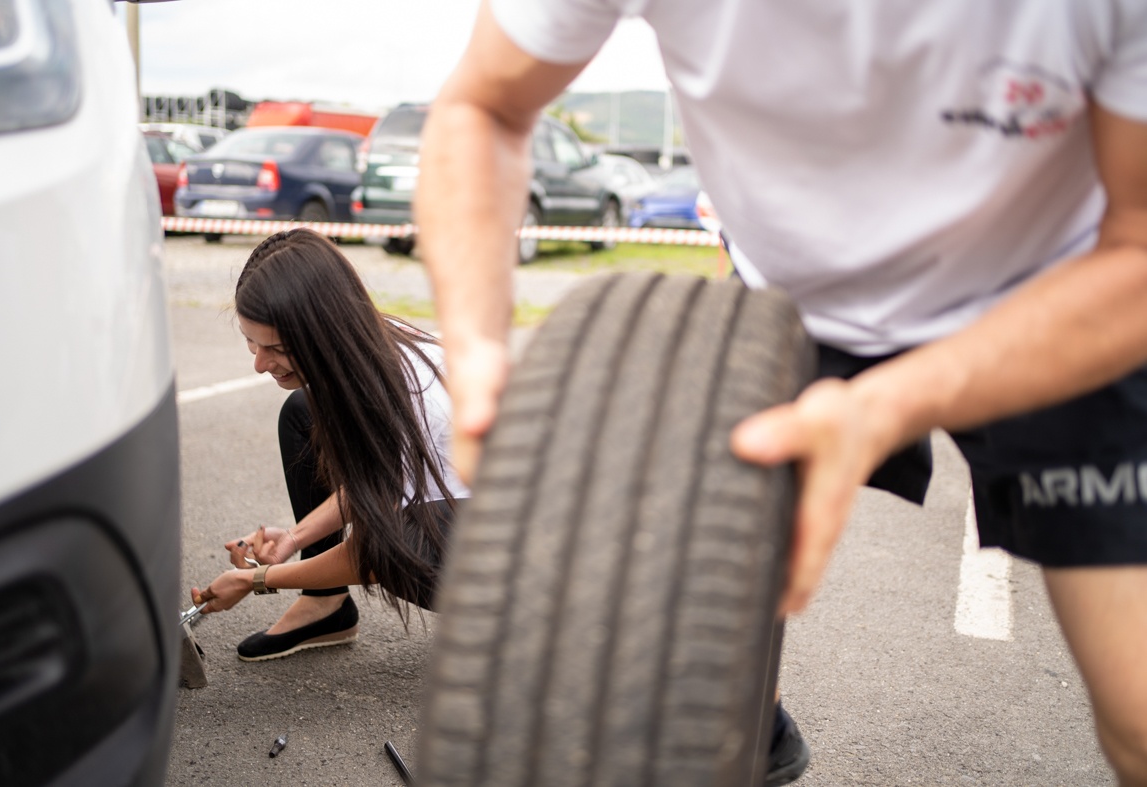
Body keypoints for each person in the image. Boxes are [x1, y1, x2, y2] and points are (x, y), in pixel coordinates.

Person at [411, 1, 1147, 784]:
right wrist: (477, 344)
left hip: (1057, 301)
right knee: (647, 666)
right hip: (785, 304)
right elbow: (484, 107)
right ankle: (746, 727)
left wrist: (887, 405)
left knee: (1137, 716)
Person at [192, 229, 469, 661]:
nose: (260, 364)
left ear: (325, 333)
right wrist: (293, 539)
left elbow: (376, 553)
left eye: (277, 348)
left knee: (401, 543)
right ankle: (326, 605)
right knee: (302, 412)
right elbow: (378, 482)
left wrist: (257, 579)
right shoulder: (365, 348)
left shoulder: (398, 397)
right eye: (252, 342)